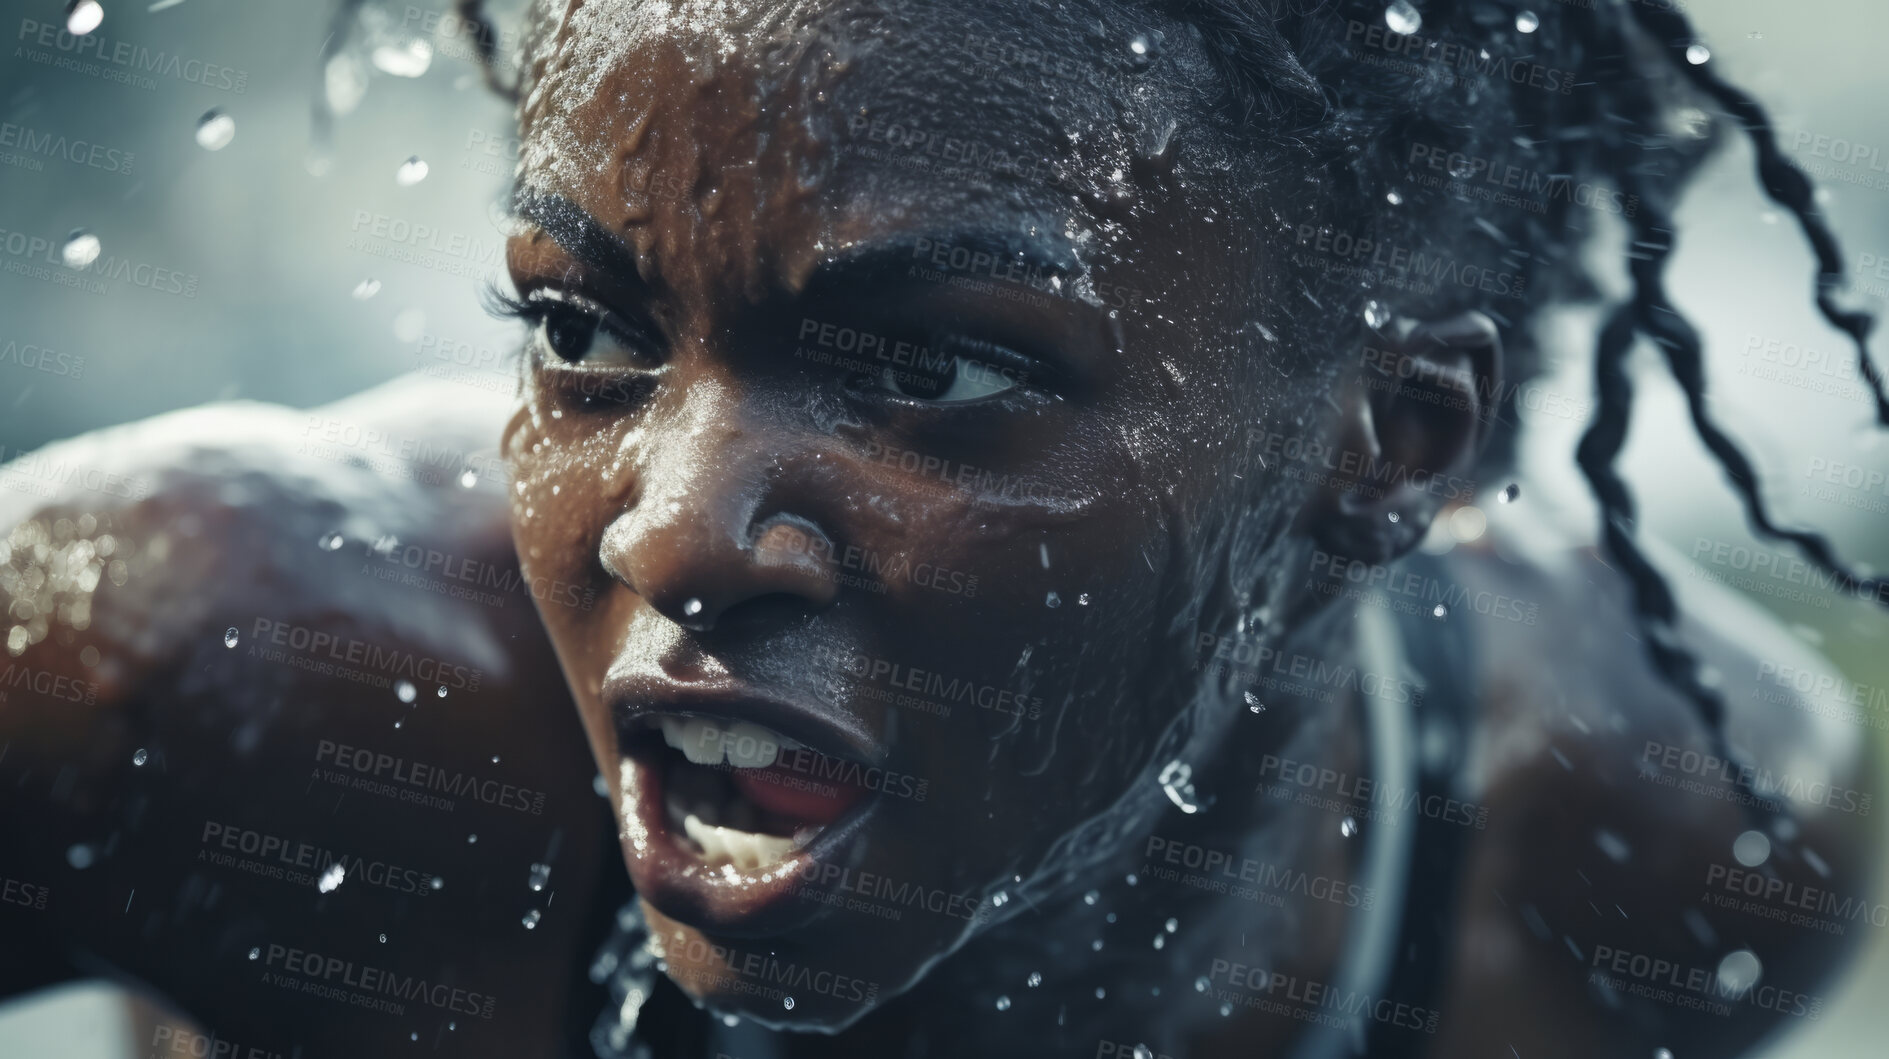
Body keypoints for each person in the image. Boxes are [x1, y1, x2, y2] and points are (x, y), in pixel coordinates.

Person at [0, 1, 1881, 1057]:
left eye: (935, 375)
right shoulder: (218, 665)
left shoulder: (1646, 838)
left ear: (1390, 440)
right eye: (584, 336)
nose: (677, 534)